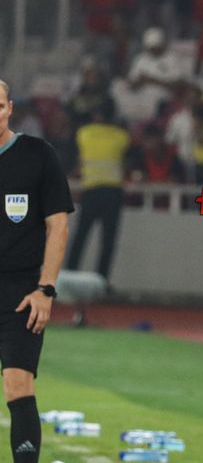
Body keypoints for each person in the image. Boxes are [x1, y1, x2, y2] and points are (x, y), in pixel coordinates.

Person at [0, 79, 74, 463]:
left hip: (20, 291)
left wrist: (46, 288)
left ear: (10, 108)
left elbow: (58, 226)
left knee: (18, 385)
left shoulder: (37, 155)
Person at [66, 99, 129, 283]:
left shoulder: (84, 133)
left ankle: (69, 276)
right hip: (113, 191)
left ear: (96, 115)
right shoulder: (121, 136)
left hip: (91, 190)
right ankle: (101, 281)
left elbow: (78, 161)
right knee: (108, 240)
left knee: (81, 236)